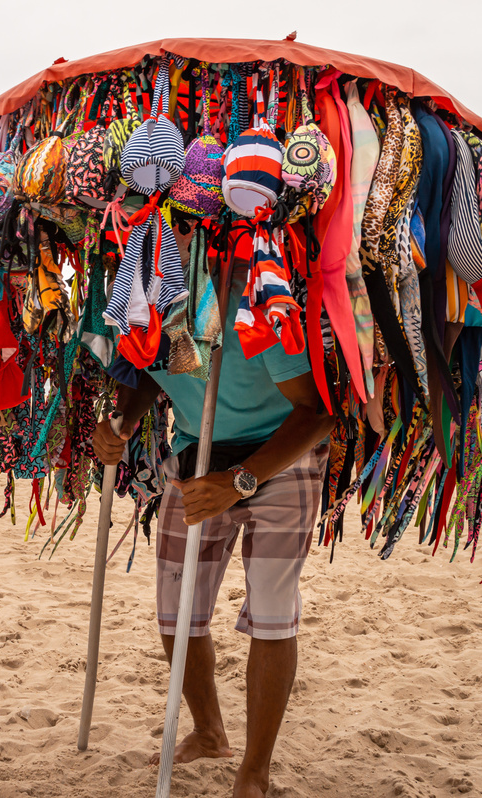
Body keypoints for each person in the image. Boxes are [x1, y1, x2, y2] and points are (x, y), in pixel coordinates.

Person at [92, 219, 334, 798]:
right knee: (176, 613)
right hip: (195, 453)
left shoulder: (247, 299)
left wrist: (240, 481)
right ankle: (209, 732)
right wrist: (121, 422)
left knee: (273, 609)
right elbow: (152, 375)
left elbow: (319, 412)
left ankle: (254, 770)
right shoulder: (137, 303)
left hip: (281, 456)